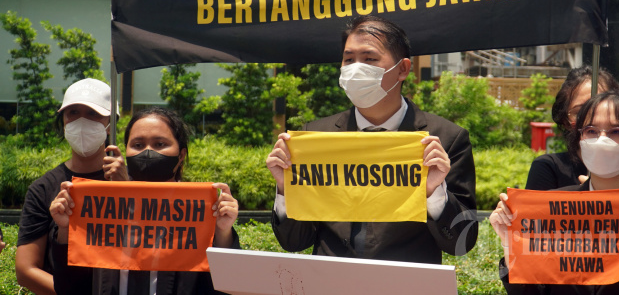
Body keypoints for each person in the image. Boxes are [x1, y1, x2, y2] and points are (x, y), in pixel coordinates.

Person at [266, 16, 478, 264]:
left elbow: (461, 242)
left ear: (403, 69)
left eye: (369, 59)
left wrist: (433, 193)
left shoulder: (445, 140)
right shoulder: (315, 137)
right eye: (348, 60)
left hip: (405, 281)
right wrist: (286, 189)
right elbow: (294, 242)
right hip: (331, 279)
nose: (355, 69)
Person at [490, 90, 619, 294]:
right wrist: (511, 244)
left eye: (616, 132)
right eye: (591, 131)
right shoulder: (552, 210)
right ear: (580, 141)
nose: (601, 140)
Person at [49, 106, 240, 295]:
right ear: (126, 151)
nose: (148, 152)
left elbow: (224, 287)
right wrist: (66, 230)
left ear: (181, 155)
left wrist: (222, 233)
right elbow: (70, 288)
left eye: (160, 144)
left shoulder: (201, 214)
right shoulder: (103, 209)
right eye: (138, 145)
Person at [16, 78, 115, 295]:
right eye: (73, 113)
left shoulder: (129, 182)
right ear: (63, 122)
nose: (82, 121)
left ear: (110, 125)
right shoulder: (43, 189)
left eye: (93, 113)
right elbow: (26, 270)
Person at [524, 65, 619, 194]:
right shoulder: (548, 168)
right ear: (565, 121)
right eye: (580, 112)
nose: (593, 114)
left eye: (615, 131)